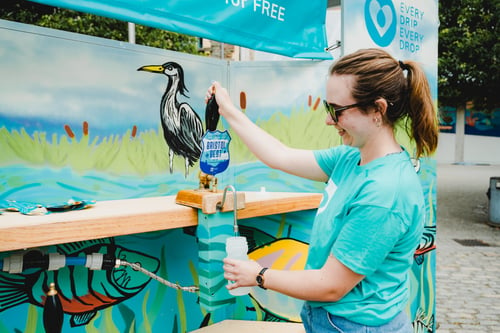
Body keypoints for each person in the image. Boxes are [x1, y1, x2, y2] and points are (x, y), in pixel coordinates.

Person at [205, 48, 438, 332]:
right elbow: (279, 155)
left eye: (336, 111)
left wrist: (259, 275)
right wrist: (227, 109)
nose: (329, 120)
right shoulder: (351, 158)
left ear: (378, 110)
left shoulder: (385, 193)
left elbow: (330, 286)